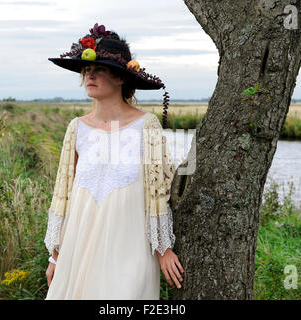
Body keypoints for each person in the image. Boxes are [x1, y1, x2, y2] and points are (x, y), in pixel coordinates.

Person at [44, 23, 184, 300]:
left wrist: (163, 247)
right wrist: (56, 255)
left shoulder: (147, 126)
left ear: (121, 79)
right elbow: (63, 193)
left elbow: (159, 190)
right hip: (78, 245)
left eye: (100, 70)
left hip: (129, 245)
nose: (90, 75)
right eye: (86, 70)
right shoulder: (77, 128)